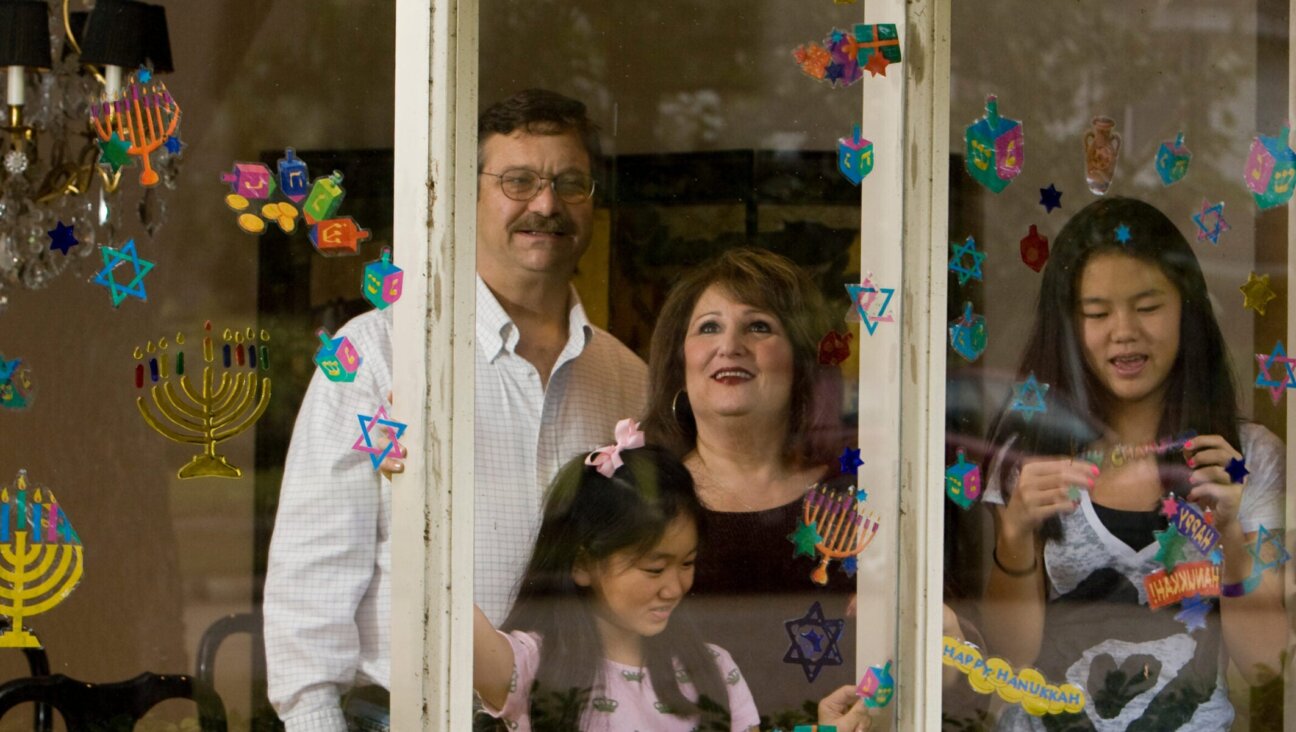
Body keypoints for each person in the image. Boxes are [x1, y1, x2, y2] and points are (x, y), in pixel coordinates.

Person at [264, 89, 648, 731]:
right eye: (517, 181)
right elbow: (311, 584)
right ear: (467, 197)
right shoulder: (382, 353)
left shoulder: (627, 381)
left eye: (569, 183)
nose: (546, 204)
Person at [980, 196, 1285, 730]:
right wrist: (1014, 533)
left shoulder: (1249, 457)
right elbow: (1009, 657)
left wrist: (1234, 536)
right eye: (1097, 313)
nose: (1124, 330)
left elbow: (1263, 665)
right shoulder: (1026, 454)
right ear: (1068, 326)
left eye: (1147, 307)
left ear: (1187, 311)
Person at [640, 248, 858, 724]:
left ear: (801, 361)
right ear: (680, 361)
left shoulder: (857, 499)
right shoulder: (636, 494)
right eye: (709, 327)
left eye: (758, 326)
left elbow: (953, 671)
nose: (730, 345)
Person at [473, 420, 761, 731]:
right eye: (654, 569)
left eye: (687, 563)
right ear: (582, 564)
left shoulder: (713, 668)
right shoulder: (532, 666)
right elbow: (447, 607)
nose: (674, 588)